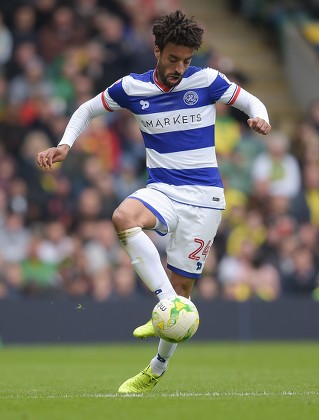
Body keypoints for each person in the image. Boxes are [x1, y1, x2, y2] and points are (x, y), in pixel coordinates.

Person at [37, 10, 271, 393]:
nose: (180, 67)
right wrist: (65, 144)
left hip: (205, 200)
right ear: (157, 50)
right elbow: (87, 109)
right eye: (173, 58)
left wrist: (260, 118)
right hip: (162, 189)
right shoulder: (133, 88)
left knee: (184, 294)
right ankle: (164, 304)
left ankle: (156, 369)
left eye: (186, 60)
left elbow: (252, 102)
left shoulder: (207, 81)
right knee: (123, 215)